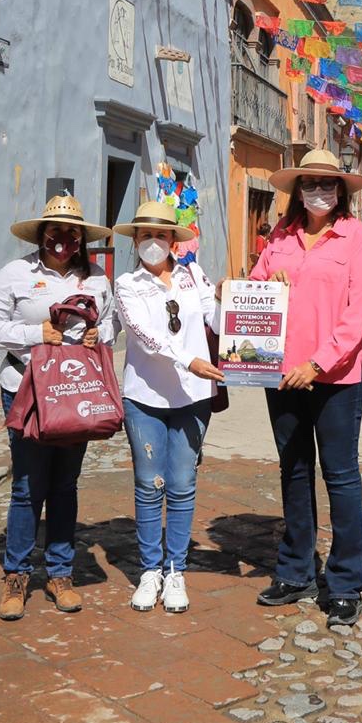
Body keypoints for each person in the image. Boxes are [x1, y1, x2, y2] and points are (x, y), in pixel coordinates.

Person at [241, 148, 362, 628]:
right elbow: (255, 287)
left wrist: (318, 364)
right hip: (280, 372)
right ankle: (296, 570)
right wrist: (266, 276)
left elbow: (358, 314)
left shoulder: (357, 238)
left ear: (341, 191)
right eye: (309, 184)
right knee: (294, 470)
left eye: (327, 184)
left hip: (337, 377)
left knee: (340, 475)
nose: (318, 192)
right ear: (297, 190)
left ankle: (344, 581)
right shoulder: (280, 235)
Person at [0, 195, 114, 621]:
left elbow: (110, 322)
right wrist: (37, 332)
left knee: (65, 485)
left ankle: (60, 572)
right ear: (41, 233)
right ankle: (16, 575)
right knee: (27, 486)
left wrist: (98, 335)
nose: (63, 238)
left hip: (77, 392)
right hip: (26, 389)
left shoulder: (96, 278)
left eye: (72, 232)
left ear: (82, 238)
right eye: (55, 230)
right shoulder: (15, 274)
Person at [113, 201, 225, 614]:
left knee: (181, 484)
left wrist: (241, 297)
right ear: (136, 241)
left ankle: (175, 567)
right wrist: (188, 360)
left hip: (194, 398)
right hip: (144, 396)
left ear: (174, 240)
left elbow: (217, 319)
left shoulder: (194, 275)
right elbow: (143, 337)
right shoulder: (126, 284)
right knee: (149, 484)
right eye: (146, 235)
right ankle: (150, 569)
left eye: (162, 235)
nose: (154, 242)